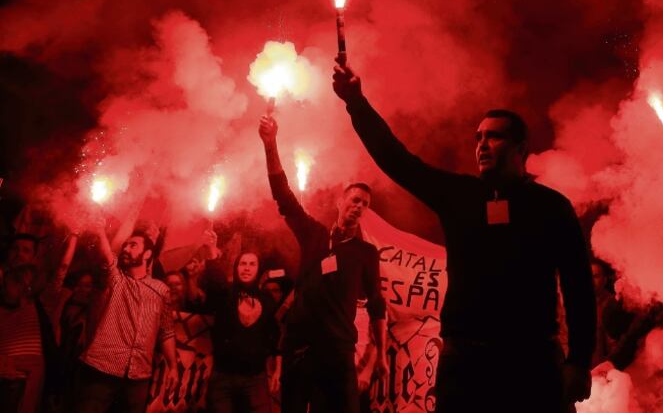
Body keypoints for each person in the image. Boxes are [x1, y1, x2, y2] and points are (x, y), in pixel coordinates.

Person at [332, 63, 597, 413]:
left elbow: (579, 286)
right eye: (478, 137)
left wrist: (578, 361)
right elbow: (397, 161)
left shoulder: (550, 207)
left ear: (520, 147)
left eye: (494, 136)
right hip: (466, 362)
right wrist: (356, 102)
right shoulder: (460, 197)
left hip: (532, 361)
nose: (482, 144)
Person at [258, 114, 387, 413]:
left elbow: (377, 304)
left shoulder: (366, 253)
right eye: (355, 200)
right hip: (300, 350)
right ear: (340, 203)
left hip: (339, 353)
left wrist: (380, 354)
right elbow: (283, 196)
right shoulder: (314, 235)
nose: (359, 206)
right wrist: (270, 144)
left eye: (365, 204)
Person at [75, 226, 178, 413]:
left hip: (138, 376)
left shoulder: (161, 290)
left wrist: (173, 367)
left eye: (133, 245)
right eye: (125, 246)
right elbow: (107, 256)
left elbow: (166, 331)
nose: (126, 249)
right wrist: (99, 229)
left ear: (147, 254)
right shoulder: (115, 278)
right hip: (102, 369)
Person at [204, 250, 281, 413]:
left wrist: (278, 369)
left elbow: (275, 335)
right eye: (243, 263)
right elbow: (214, 284)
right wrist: (211, 256)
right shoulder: (226, 294)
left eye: (252, 264)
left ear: (259, 270)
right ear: (236, 267)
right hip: (223, 376)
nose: (247, 268)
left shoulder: (266, 299)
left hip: (255, 377)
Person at [0, 263, 58, 413]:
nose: (5, 288)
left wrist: (72, 240)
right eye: (4, 284)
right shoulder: (1, 310)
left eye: (10, 284)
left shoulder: (37, 306)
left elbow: (59, 274)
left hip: (26, 378)